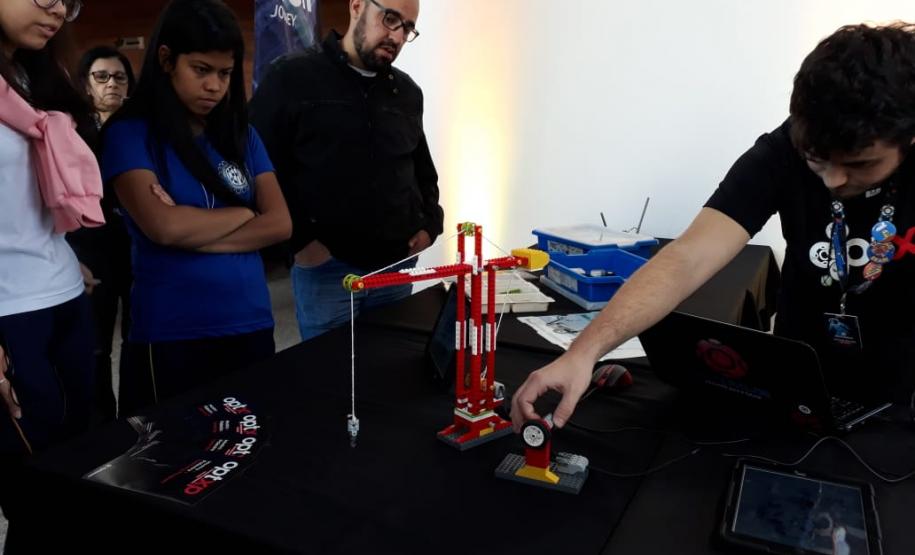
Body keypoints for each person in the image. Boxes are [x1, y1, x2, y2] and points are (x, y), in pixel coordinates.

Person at [511, 22, 915, 431]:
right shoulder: (782, 150)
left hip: (902, 396)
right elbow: (689, 256)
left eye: (860, 165)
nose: (832, 180)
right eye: (816, 159)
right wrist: (584, 352)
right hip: (801, 383)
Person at [100, 0, 292, 417]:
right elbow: (164, 227)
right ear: (167, 60)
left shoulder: (242, 135)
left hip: (250, 323)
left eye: (224, 74)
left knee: (250, 455)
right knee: (167, 464)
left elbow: (279, 223)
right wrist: (242, 215)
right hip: (171, 332)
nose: (215, 86)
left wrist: (198, 235)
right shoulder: (131, 134)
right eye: (201, 70)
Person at [249, 0, 444, 341]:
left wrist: (430, 224)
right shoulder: (291, 77)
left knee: (389, 373)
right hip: (327, 270)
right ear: (356, 6)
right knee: (330, 380)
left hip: (395, 267)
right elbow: (259, 166)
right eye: (390, 19)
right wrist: (301, 244)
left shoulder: (407, 93)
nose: (396, 36)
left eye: (407, 28)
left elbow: (421, 169)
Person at [0, 0, 99, 548]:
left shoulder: (34, 76)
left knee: (73, 474)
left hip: (63, 297)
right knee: (34, 496)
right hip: (9, 316)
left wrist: (62, 248)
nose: (57, 6)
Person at [68, 45, 137, 421]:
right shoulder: (72, 130)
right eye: (101, 76)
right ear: (87, 83)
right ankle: (99, 425)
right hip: (89, 247)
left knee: (138, 339)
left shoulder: (142, 128)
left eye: (120, 76)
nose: (112, 83)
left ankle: (137, 417)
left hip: (137, 245)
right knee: (95, 346)